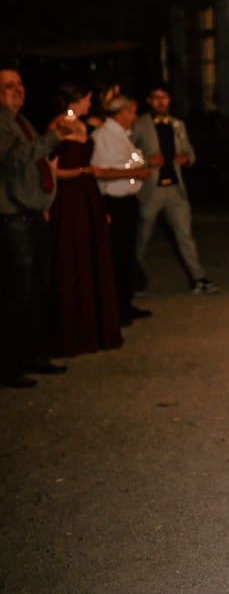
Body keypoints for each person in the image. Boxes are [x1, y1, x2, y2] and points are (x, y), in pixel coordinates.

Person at [0, 66, 75, 387]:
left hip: (32, 214)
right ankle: (9, 364)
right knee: (18, 291)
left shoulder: (20, 121)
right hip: (13, 216)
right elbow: (17, 157)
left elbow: (36, 160)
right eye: (8, 86)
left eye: (20, 84)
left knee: (38, 287)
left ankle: (32, 354)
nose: (18, 90)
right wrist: (52, 138)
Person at [48, 83, 122, 357]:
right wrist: (82, 171)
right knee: (71, 259)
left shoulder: (82, 124)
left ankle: (94, 329)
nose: (90, 105)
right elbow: (52, 170)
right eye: (87, 100)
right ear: (76, 100)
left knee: (91, 258)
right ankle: (70, 333)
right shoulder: (58, 125)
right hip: (68, 199)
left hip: (87, 194)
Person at [131, 84, 218, 294]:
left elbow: (191, 153)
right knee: (142, 237)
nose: (161, 101)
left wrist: (186, 159)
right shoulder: (139, 124)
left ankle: (198, 278)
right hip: (151, 189)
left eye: (165, 97)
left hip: (175, 189)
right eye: (156, 97)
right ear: (149, 100)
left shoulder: (177, 124)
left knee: (185, 236)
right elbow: (128, 154)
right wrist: (145, 161)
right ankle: (131, 279)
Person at [90, 95, 154, 329]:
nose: (135, 117)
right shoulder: (102, 136)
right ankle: (115, 309)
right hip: (113, 203)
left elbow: (127, 162)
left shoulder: (123, 137)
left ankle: (125, 305)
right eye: (132, 112)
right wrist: (133, 176)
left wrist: (136, 176)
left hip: (127, 200)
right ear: (121, 113)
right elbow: (98, 171)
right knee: (116, 256)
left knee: (127, 254)